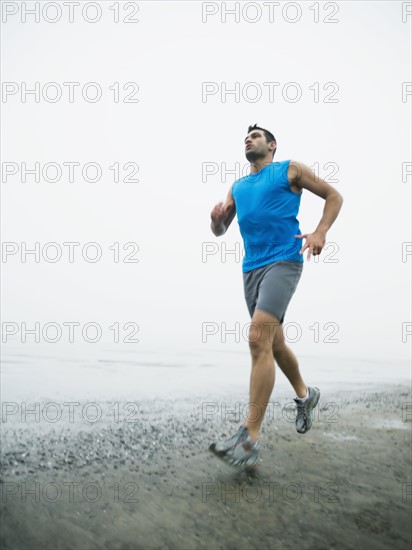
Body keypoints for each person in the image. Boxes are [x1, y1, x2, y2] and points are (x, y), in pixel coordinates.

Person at [209, 124, 344, 472]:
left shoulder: (289, 170)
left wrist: (320, 231)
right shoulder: (238, 186)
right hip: (251, 268)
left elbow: (333, 196)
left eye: (256, 136)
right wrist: (217, 221)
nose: (248, 140)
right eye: (245, 138)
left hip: (284, 260)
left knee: (258, 338)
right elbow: (221, 230)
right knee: (273, 343)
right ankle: (305, 395)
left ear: (272, 145)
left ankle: (250, 437)